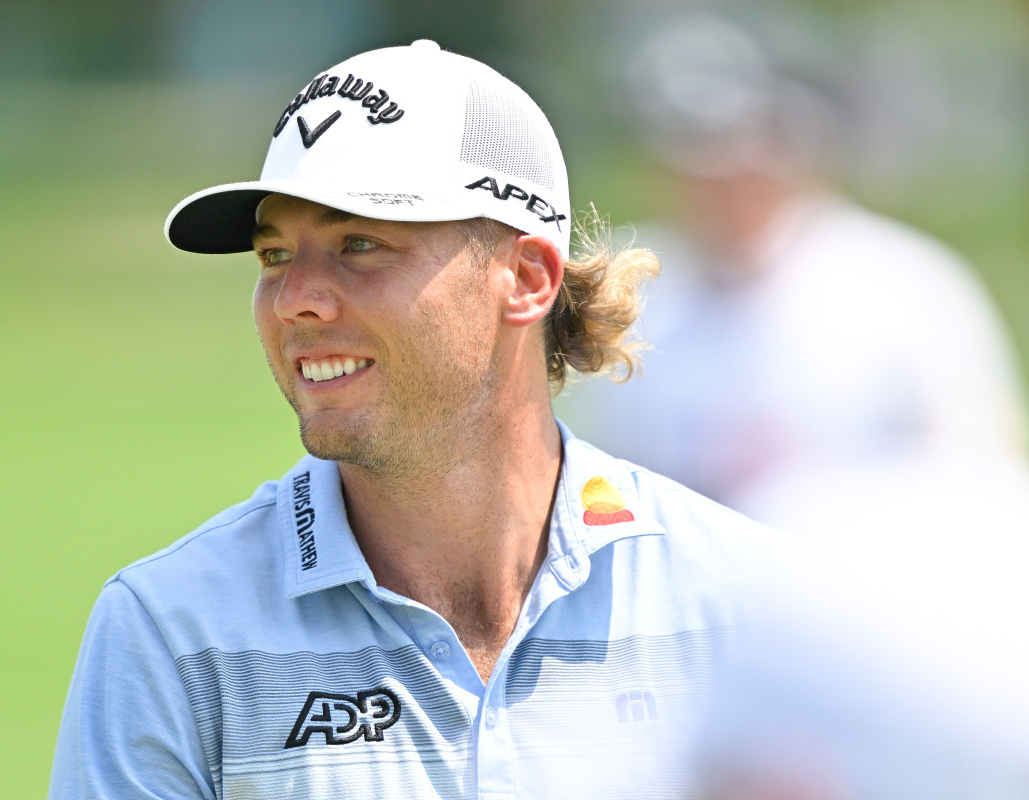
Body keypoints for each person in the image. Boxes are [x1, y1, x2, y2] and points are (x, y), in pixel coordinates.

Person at [47, 40, 783, 799]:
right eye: (273, 256)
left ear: (526, 279)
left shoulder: (748, 603)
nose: (296, 297)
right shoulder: (172, 632)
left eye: (359, 245)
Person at [557, 9, 1028, 511]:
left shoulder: (906, 287)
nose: (724, 178)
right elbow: (596, 469)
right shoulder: (637, 286)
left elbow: (979, 467)